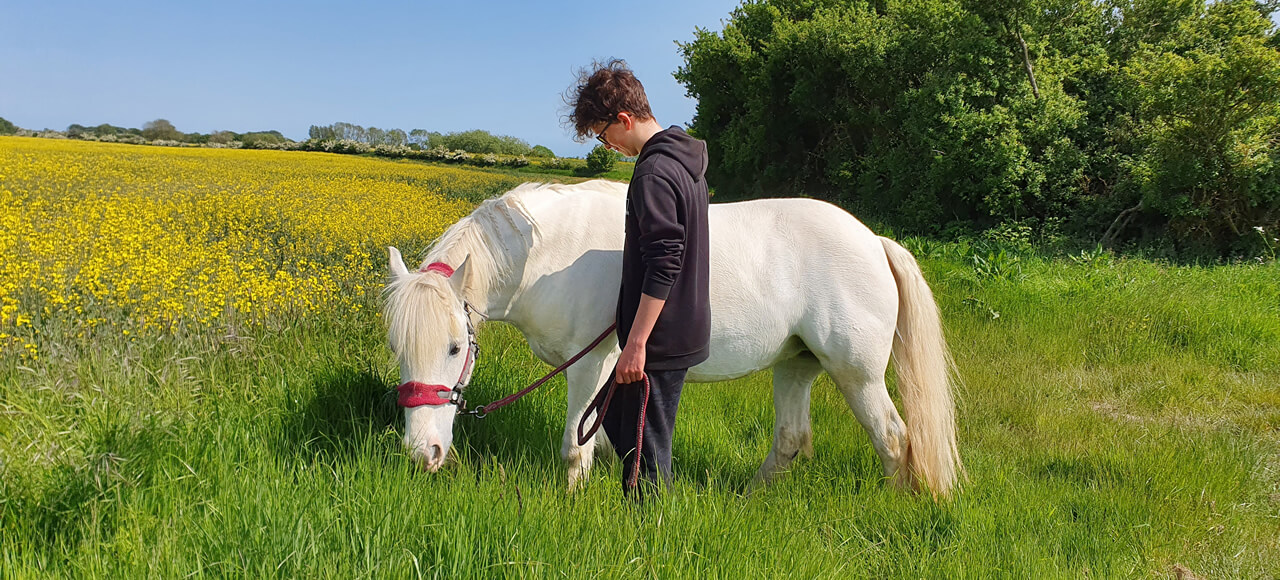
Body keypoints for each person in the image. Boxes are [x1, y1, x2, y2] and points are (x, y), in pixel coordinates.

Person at [566, 59, 711, 495]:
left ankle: (650, 530)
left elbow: (665, 260)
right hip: (676, 327)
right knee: (613, 417)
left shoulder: (653, 173)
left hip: (659, 339)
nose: (608, 145)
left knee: (646, 461)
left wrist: (636, 344)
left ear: (624, 119)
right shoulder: (683, 161)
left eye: (604, 134)